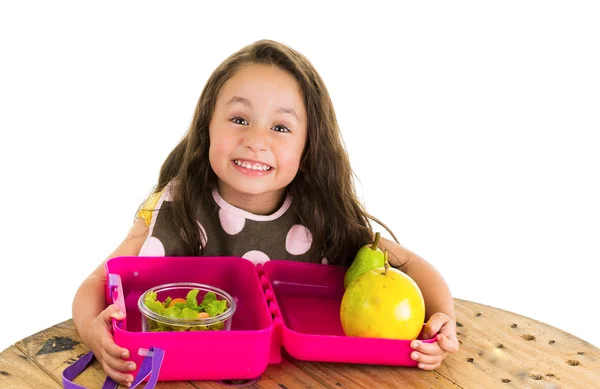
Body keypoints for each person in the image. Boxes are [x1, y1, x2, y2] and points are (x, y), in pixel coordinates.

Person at [72, 39, 459, 386]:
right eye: (239, 119)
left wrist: (442, 321)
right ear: (207, 128)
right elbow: (96, 282)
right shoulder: (177, 206)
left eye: (280, 127)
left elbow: (411, 268)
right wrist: (94, 332)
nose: (256, 140)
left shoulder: (321, 219)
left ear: (308, 151)